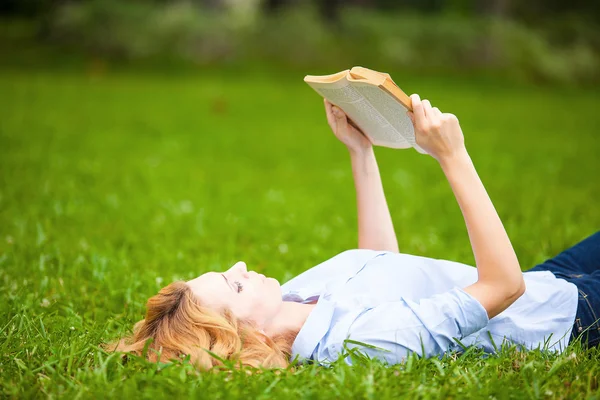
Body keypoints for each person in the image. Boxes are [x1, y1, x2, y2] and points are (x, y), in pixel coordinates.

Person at [108, 95, 600, 370]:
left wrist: (360, 153)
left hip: (545, 284)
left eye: (226, 271)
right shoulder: (362, 342)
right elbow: (501, 288)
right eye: (234, 285)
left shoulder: (296, 302)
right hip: (568, 316)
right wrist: (453, 155)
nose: (241, 267)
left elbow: (381, 268)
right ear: (246, 334)